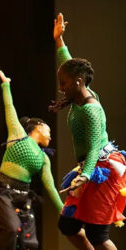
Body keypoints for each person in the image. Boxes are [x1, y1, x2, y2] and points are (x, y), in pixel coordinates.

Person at [51, 13, 126, 250]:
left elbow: (94, 146)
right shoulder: (79, 93)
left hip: (102, 168)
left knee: (97, 233)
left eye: (64, 83)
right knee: (68, 226)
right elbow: (68, 62)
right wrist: (59, 40)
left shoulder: (91, 110)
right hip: (91, 167)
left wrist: (85, 175)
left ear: (78, 81)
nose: (61, 88)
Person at [0, 70, 63, 250]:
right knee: (10, 229)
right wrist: (5, 85)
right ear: (38, 127)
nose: (50, 137)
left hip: (23, 196)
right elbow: (9, 107)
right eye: (49, 131)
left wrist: (63, 209)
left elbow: (50, 186)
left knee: (30, 242)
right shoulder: (18, 135)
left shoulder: (44, 158)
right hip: (2, 190)